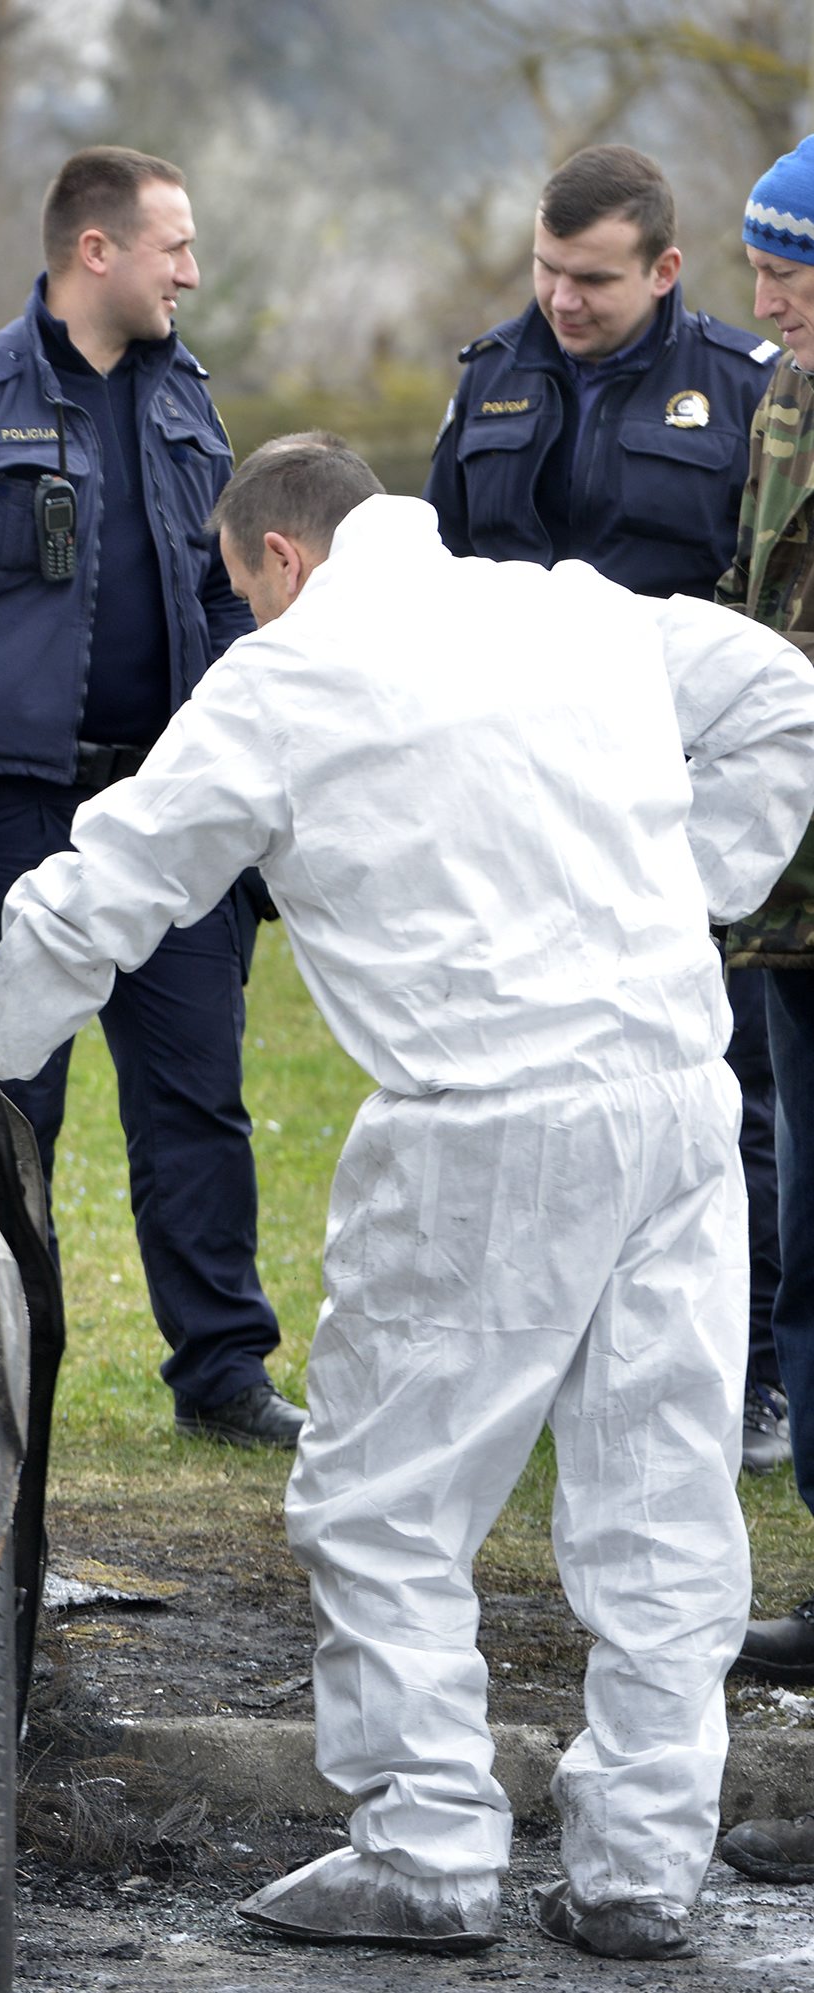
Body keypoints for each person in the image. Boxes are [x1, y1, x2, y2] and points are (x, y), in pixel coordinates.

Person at [0, 434, 814, 1960]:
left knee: (386, 1497)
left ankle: (423, 1842)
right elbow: (785, 698)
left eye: (245, 598)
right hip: (677, 1101)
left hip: (486, 1124)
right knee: (663, 1495)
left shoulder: (290, 681)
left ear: (279, 559)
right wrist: (698, 883)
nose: (249, 625)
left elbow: (115, 880)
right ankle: (638, 1868)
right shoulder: (577, 610)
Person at [0, 146, 296, 1448]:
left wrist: (247, 770)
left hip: (163, 816)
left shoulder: (186, 403)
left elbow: (223, 599)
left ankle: (222, 1372)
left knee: (195, 1094)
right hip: (11, 817)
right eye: (176, 249)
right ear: (96, 252)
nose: (193, 274)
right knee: (5, 1095)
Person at [427, 144, 792, 1480]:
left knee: (714, 1093)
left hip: (672, 806)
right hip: (517, 805)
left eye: (593, 279)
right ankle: (525, 1361)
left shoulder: (751, 397)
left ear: (666, 269)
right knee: (510, 1088)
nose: (564, 301)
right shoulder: (491, 381)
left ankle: (746, 1377)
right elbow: (441, 584)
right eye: (548, 271)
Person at [715, 134, 814, 1886]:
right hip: (795, 905)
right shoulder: (784, 401)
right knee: (807, 1252)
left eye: (791, 263)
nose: (767, 294)